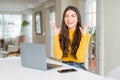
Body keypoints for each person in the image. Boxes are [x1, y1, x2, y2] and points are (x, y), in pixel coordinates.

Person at [51, 6, 90, 70]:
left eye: (73, 16)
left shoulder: (85, 34)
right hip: (64, 65)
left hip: (78, 66)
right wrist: (55, 35)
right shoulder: (60, 33)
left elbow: (80, 57)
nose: (69, 19)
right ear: (64, 19)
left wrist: (83, 36)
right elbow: (58, 56)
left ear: (77, 19)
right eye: (66, 16)